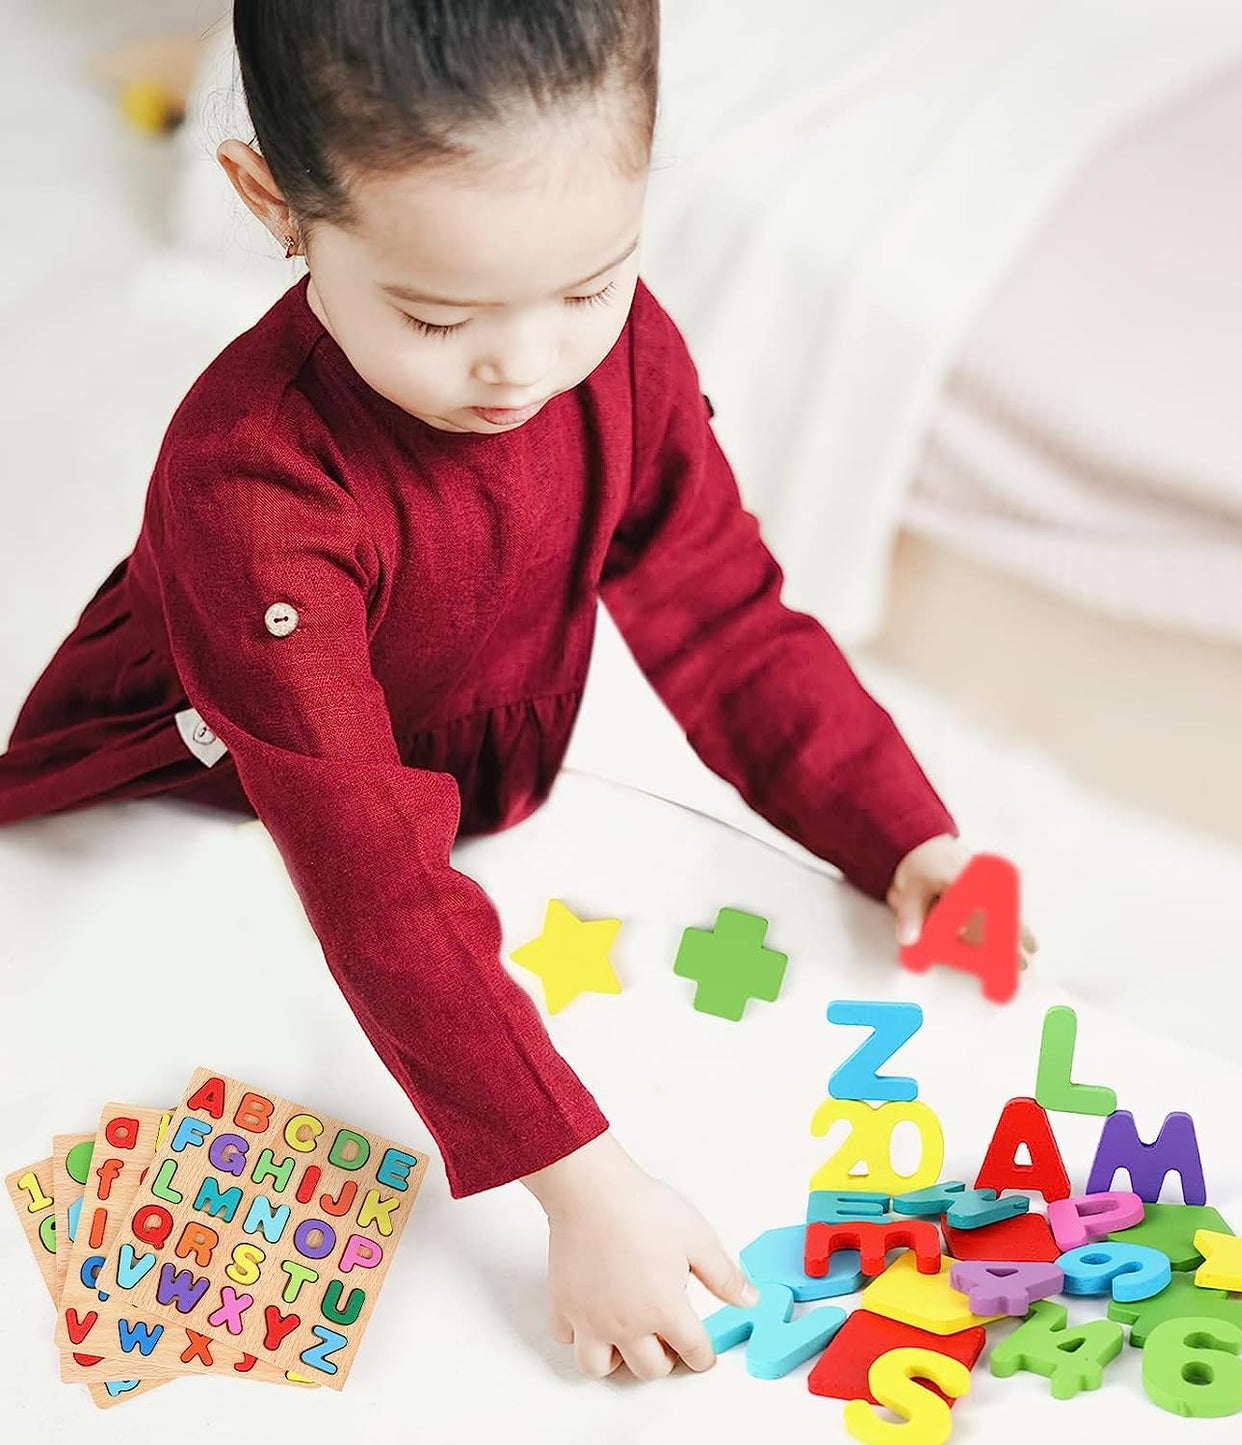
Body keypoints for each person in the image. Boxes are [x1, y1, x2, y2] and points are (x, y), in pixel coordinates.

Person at [0, 0, 1032, 1384]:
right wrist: (580, 1186)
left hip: (453, 809)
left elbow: (722, 611)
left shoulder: (625, 354)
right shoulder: (252, 485)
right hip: (190, 812)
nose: (525, 366)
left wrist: (902, 833)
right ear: (274, 205)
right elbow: (370, 875)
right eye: (436, 315)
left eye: (588, 286)